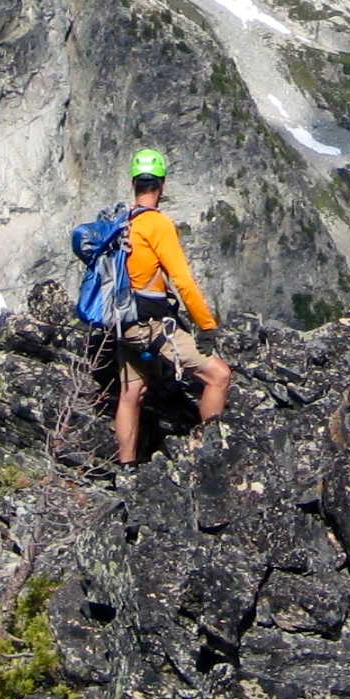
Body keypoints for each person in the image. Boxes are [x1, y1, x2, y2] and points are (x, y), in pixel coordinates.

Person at [112, 148, 232, 467]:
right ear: (162, 184)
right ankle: (211, 456)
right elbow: (183, 280)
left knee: (131, 393)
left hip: (124, 324)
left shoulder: (121, 221)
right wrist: (206, 326)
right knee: (218, 376)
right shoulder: (157, 224)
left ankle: (126, 469)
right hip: (151, 326)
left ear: (134, 183)